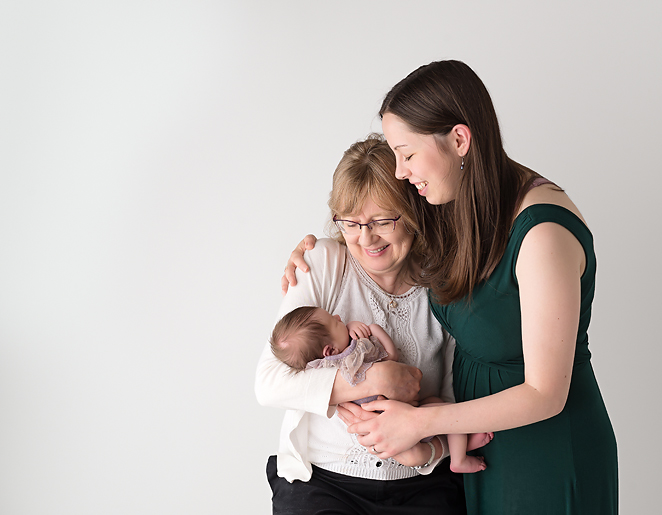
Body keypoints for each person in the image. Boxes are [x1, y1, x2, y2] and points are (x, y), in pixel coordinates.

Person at [283, 60, 618, 514]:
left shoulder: (542, 234)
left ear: (459, 140)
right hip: (476, 450)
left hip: (544, 451)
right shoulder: (454, 202)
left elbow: (546, 393)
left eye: (407, 153)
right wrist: (318, 246)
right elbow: (375, 225)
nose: (400, 171)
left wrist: (420, 423)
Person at [255, 134, 469, 515]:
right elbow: (269, 384)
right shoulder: (324, 263)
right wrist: (372, 382)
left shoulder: (445, 282)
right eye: (351, 223)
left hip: (421, 484)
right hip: (324, 484)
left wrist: (425, 450)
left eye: (382, 221)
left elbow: (451, 400)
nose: (365, 238)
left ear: (414, 211)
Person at [270, 305, 491, 473]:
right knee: (446, 410)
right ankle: (459, 457)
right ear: (329, 349)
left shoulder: (319, 370)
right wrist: (373, 329)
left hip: (381, 431)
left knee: (432, 424)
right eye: (335, 322)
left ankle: (457, 449)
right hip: (400, 422)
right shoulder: (356, 352)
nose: (339, 318)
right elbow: (392, 356)